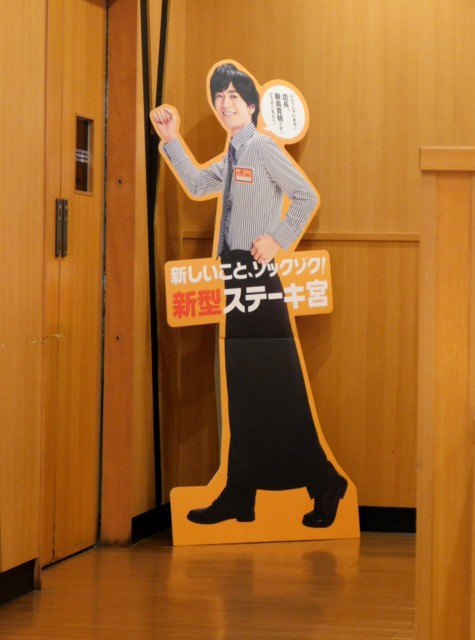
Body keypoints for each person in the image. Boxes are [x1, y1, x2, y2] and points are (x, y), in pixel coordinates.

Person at [151, 62, 347, 528]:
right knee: (244, 386)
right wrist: (171, 138)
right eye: (219, 96)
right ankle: (240, 493)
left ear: (253, 106)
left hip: (258, 274)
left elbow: (304, 196)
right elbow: (198, 184)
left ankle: (323, 481)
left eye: (234, 96)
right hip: (235, 275)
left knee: (277, 386)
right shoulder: (234, 152)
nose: (225, 103)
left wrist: (277, 238)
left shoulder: (262, 148)